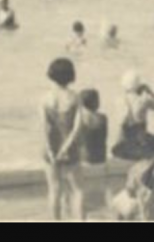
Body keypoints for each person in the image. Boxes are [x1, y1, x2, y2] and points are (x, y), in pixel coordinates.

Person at [41, 58, 84, 221]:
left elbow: (45, 128)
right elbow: (77, 128)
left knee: (54, 189)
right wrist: (65, 148)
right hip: (70, 149)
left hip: (49, 147)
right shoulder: (75, 98)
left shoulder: (44, 99)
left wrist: (51, 150)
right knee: (78, 190)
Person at [112, 71, 154, 161]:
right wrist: (150, 92)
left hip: (125, 145)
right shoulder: (144, 100)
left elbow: (121, 125)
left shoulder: (119, 100)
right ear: (139, 86)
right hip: (140, 144)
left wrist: (117, 144)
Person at [77, 89, 108, 166]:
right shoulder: (103, 118)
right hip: (101, 158)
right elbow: (104, 136)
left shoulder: (79, 118)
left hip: (84, 158)